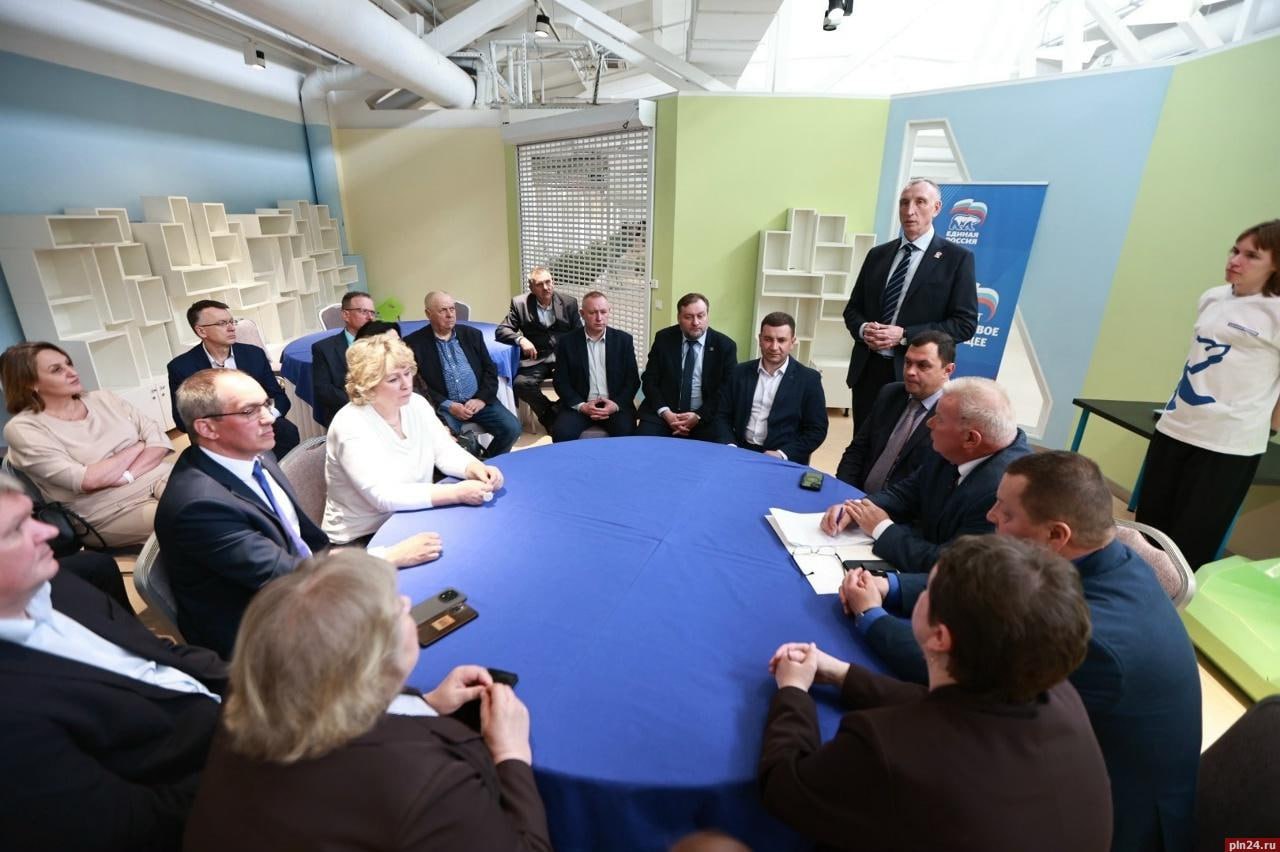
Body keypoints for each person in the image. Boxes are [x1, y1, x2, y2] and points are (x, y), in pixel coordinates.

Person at [842, 451, 1201, 852]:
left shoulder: (1094, 639)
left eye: (1007, 513)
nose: (991, 516)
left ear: (1056, 535)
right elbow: (990, 583)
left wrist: (872, 617)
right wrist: (890, 586)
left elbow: (963, 665)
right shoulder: (1110, 559)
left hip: (1103, 826)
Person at [759, 535, 1111, 852]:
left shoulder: (884, 747)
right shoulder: (1059, 696)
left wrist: (793, 691)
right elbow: (951, 712)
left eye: (928, 590)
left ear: (940, 637)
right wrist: (844, 675)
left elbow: (786, 789)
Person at [183, 549, 552, 852]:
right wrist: (511, 755)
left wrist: (427, 705)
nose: (407, 602)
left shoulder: (242, 706)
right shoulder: (427, 780)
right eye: (397, 608)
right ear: (373, 659)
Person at [0, 472, 226, 851]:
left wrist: (247, 680)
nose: (48, 532)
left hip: (227, 718)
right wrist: (251, 774)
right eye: (15, 531)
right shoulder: (11, 721)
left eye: (31, 516)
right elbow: (133, 826)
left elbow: (159, 655)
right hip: (213, 788)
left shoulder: (55, 584)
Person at [156, 368, 437, 658]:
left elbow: (306, 543)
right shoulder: (199, 507)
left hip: (301, 584)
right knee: (406, 636)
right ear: (207, 428)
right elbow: (287, 575)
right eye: (250, 411)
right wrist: (389, 556)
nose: (270, 417)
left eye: (266, 404)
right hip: (263, 633)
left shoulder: (256, 454)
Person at [1135, 219, 1280, 569]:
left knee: (1189, 545)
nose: (1235, 260)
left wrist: (1269, 426)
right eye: (1235, 250)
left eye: (1251, 256)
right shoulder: (1213, 297)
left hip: (1228, 445)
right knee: (1147, 531)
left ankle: (1168, 602)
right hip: (1175, 426)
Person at [821, 376, 1030, 572]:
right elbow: (906, 493)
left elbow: (950, 565)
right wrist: (858, 509)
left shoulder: (1004, 491)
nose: (929, 423)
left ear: (970, 439)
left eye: (939, 419)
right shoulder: (952, 448)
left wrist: (882, 528)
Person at [323, 334, 503, 545]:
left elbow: (444, 450)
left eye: (407, 373)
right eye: (393, 379)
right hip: (362, 538)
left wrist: (473, 467)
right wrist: (455, 493)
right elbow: (383, 496)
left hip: (411, 516)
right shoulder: (350, 424)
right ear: (368, 385)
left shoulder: (416, 404)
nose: (406, 384)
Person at [2, 341, 172, 547]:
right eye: (56, 370)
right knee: (186, 519)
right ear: (29, 383)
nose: (72, 372)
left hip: (160, 477)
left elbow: (159, 441)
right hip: (107, 510)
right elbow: (87, 480)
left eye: (68, 364)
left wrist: (127, 476)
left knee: (206, 500)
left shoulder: (104, 398)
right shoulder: (23, 429)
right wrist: (138, 446)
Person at [843, 179, 977, 430]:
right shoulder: (877, 255)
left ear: (936, 208)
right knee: (862, 441)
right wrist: (863, 329)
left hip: (915, 375)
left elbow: (964, 324)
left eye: (920, 202)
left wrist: (905, 335)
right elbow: (853, 309)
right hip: (867, 371)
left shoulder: (957, 259)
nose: (909, 210)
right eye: (904, 203)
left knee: (901, 445)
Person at [167, 299, 300, 459]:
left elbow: (279, 397)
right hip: (217, 435)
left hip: (260, 423)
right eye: (222, 323)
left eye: (232, 321)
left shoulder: (254, 354)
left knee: (287, 431)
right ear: (201, 331)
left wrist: (263, 417)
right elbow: (182, 420)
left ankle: (280, 473)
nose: (231, 328)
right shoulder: (181, 368)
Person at [403, 291, 522, 457]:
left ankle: (486, 462)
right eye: (443, 310)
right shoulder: (414, 343)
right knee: (447, 441)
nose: (450, 314)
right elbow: (418, 386)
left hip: (478, 401)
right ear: (428, 314)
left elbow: (490, 370)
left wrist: (481, 399)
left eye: (452, 309)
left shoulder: (472, 335)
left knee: (512, 428)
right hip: (444, 407)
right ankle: (468, 465)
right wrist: (448, 405)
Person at [835, 330, 953, 492]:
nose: (910, 372)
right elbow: (857, 450)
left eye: (923, 365)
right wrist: (844, 491)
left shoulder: (954, 415)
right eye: (907, 362)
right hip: (855, 497)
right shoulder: (890, 393)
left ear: (948, 370)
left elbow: (932, 484)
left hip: (900, 506)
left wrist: (877, 505)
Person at [715, 312, 828, 465]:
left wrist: (783, 454)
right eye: (768, 339)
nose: (774, 347)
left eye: (781, 340)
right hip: (739, 450)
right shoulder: (739, 372)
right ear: (760, 339)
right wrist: (730, 445)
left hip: (781, 457)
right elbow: (721, 414)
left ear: (792, 342)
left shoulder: (809, 379)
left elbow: (817, 429)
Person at [636, 292, 738, 441]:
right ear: (679, 318)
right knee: (642, 443)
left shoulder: (725, 346)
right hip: (664, 414)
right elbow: (649, 380)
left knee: (719, 447)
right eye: (688, 317)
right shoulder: (664, 338)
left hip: (705, 417)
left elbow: (725, 390)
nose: (695, 322)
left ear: (707, 316)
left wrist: (699, 415)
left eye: (701, 316)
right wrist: (666, 413)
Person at [496, 266, 581, 433]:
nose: (546, 287)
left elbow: (578, 334)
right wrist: (521, 339)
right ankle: (550, 416)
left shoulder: (569, 303)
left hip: (563, 357)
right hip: (536, 358)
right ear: (531, 287)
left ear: (553, 282)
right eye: (540, 284)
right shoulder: (520, 304)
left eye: (548, 282)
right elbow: (502, 330)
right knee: (521, 384)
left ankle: (557, 412)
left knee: (581, 380)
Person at [551, 291, 640, 442]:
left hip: (614, 404)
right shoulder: (567, 342)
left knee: (627, 434)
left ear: (609, 311)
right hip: (580, 405)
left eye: (603, 312)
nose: (599, 318)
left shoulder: (624, 340)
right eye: (592, 313)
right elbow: (561, 381)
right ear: (582, 314)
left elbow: (632, 380)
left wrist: (615, 405)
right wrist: (581, 406)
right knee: (561, 433)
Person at [311, 290, 377, 427]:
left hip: (384, 410)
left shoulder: (384, 343)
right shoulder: (324, 349)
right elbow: (324, 390)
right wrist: (362, 405)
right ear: (346, 315)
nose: (370, 317)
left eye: (372, 313)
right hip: (347, 415)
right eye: (364, 312)